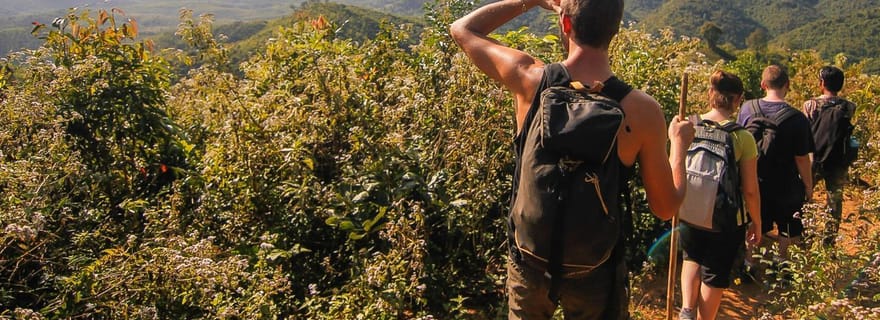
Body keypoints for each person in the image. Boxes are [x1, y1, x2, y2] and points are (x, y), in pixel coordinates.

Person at [450, 0, 695, 318]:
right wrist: (679, 148)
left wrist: (535, 0)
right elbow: (665, 207)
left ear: (565, 23)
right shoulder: (642, 110)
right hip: (595, 271)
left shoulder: (530, 80)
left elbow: (463, 29)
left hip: (530, 263)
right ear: (615, 30)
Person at [678, 71, 762, 320]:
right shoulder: (742, 137)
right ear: (739, 100)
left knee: (691, 256)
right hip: (725, 218)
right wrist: (756, 220)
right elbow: (749, 188)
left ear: (710, 94)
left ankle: (686, 310)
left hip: (689, 209)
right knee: (715, 271)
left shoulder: (688, 124)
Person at [737, 65, 813, 266]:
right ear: (787, 85)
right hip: (786, 184)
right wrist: (808, 186)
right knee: (789, 226)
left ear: (763, 85)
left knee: (754, 221)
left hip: (753, 179)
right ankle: (782, 264)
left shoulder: (747, 109)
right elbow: (802, 159)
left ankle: (749, 263)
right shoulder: (798, 118)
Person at [802, 66, 857, 246]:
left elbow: (806, 130)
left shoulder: (810, 105)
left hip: (814, 157)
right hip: (837, 159)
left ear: (822, 83)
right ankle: (829, 240)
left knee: (805, 195)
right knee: (834, 200)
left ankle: (805, 234)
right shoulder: (849, 106)